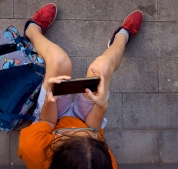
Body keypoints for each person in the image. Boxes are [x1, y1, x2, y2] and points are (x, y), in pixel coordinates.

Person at [18, 3, 143, 169]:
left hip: (51, 122)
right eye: (91, 138)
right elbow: (93, 129)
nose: (74, 130)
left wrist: (49, 98)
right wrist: (101, 107)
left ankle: (31, 31)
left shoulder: (35, 149)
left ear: (54, 155)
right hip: (86, 121)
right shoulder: (101, 163)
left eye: (68, 136)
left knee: (58, 61)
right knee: (103, 69)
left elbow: (47, 120)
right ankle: (121, 37)